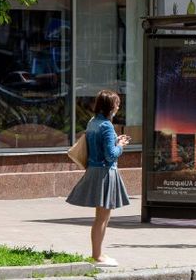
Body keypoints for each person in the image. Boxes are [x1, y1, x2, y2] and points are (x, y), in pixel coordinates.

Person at [66, 90, 131, 267]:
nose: (118, 107)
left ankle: (98, 253)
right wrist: (120, 145)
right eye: (117, 104)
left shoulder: (92, 122)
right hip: (105, 173)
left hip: (93, 170)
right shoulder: (107, 126)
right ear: (110, 106)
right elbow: (110, 155)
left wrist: (115, 141)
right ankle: (97, 256)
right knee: (102, 218)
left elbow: (100, 146)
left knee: (99, 217)